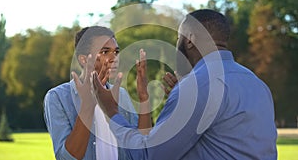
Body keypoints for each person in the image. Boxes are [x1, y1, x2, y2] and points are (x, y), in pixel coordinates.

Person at [93, 9, 278, 159]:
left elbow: (150, 155)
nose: (176, 45)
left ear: (189, 39)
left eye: (178, 38)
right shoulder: (257, 84)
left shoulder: (197, 87)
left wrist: (112, 112)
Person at [44, 26, 151, 160]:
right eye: (105, 52)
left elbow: (141, 148)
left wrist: (144, 99)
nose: (114, 58)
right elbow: (66, 157)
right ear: (83, 59)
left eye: (116, 52)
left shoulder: (121, 94)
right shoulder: (57, 97)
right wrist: (88, 105)